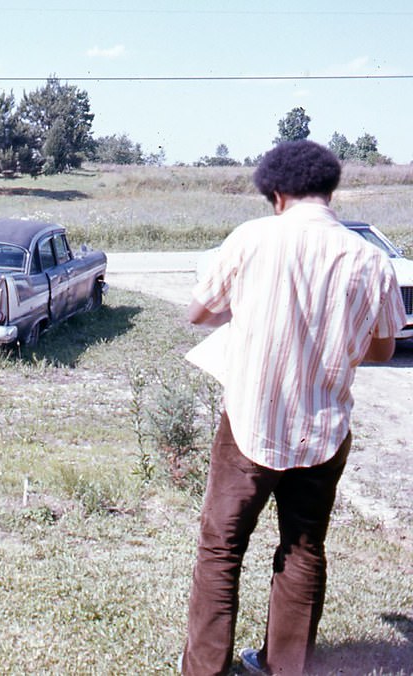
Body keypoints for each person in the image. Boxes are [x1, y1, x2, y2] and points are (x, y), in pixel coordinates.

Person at [180, 140, 406, 675]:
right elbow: (383, 348)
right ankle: (287, 667)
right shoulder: (371, 259)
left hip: (250, 423)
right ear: (331, 190)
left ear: (276, 193)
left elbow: (199, 312)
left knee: (221, 550)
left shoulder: (253, 239)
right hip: (324, 426)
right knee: (303, 550)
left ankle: (205, 669)